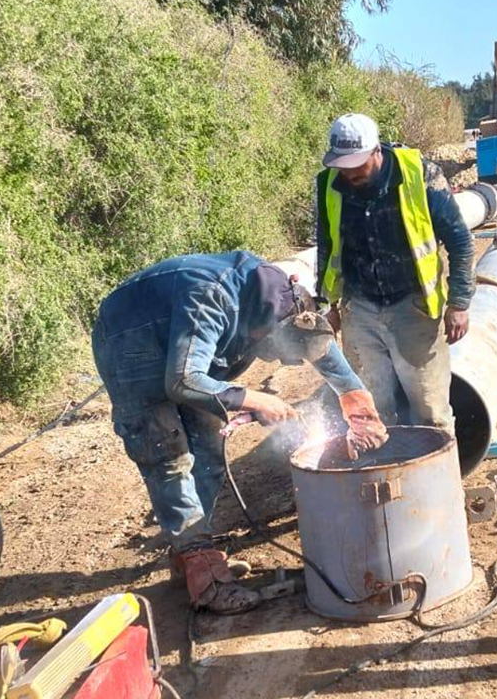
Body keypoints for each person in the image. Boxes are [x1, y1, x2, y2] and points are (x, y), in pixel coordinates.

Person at [91, 252, 388, 615]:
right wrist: (255, 399)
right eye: (280, 355)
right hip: (131, 342)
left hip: (184, 355)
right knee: (169, 455)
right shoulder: (212, 299)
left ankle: (192, 556)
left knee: (208, 451)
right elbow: (183, 380)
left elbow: (320, 350)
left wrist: (359, 407)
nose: (281, 362)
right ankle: (207, 582)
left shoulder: (283, 303)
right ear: (262, 331)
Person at [314, 113, 475, 433]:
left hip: (413, 306)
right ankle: (381, 476)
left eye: (356, 165)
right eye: (343, 166)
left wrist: (459, 302)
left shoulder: (420, 175)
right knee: (370, 412)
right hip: (359, 310)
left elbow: (460, 240)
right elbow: (327, 246)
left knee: (431, 412)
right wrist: (326, 305)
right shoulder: (329, 184)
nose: (349, 173)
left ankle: (436, 482)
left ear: (377, 151)